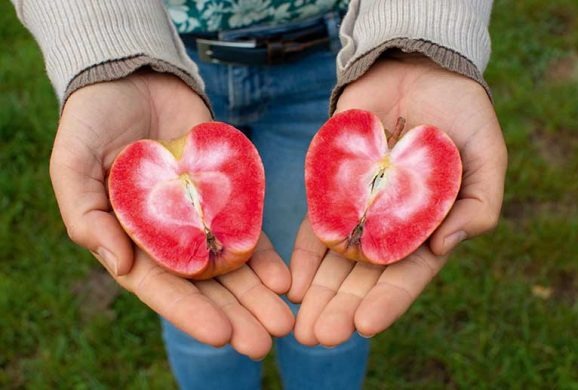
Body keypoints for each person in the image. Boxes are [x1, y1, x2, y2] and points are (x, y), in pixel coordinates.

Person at [12, 0, 507, 388]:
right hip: (161, 52)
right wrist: (107, 51)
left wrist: (423, 36)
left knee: (322, 305)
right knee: (202, 320)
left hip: (340, 56)